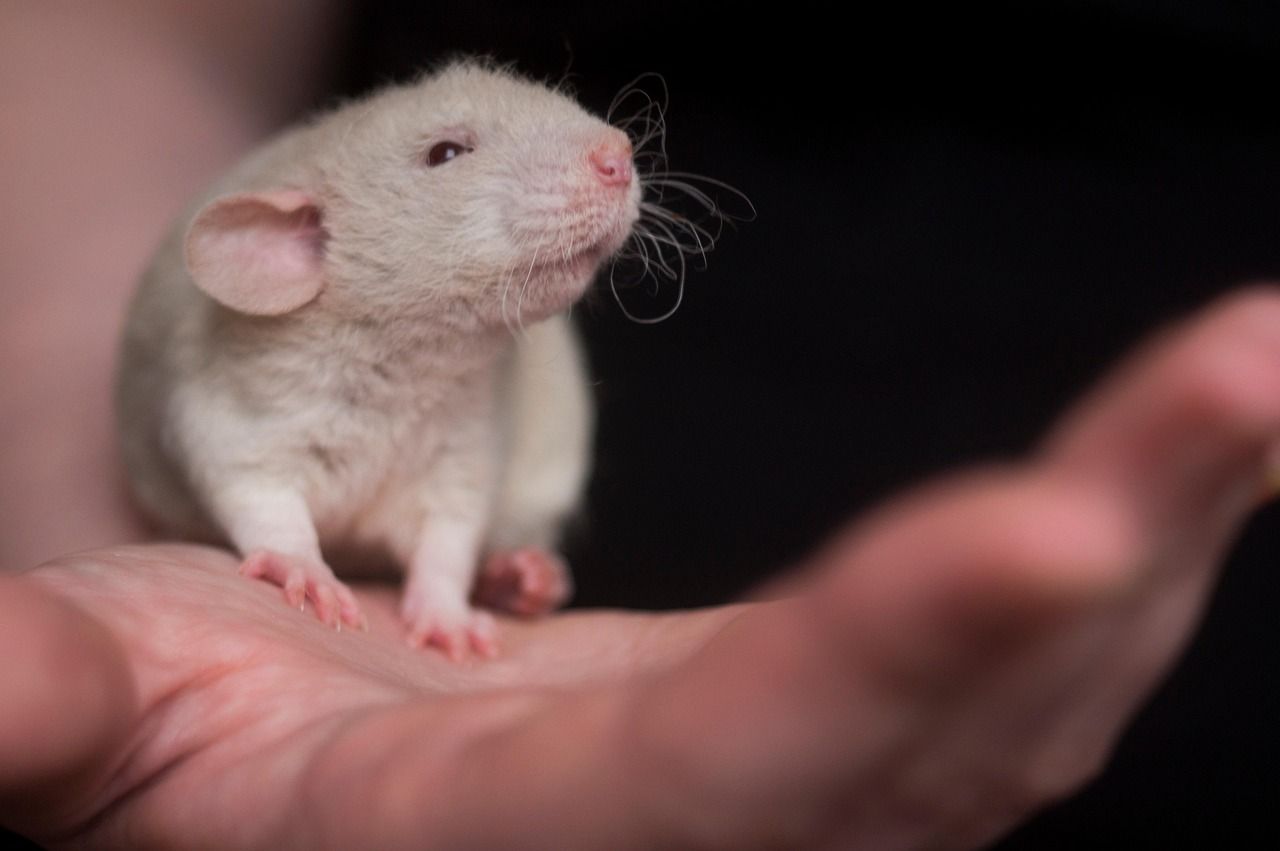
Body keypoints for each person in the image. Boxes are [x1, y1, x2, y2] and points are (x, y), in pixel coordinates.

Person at [3, 3, 1278, 848]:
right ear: (299, 244)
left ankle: (507, 559)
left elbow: (457, 466)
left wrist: (442, 591)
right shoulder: (264, 281)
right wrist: (100, 483)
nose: (615, 153)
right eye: (450, 154)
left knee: (480, 459)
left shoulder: (491, 351)